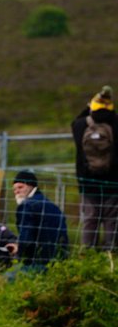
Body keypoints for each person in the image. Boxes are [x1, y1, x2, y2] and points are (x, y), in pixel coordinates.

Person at [71, 86, 118, 250]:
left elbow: (75, 120)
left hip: (87, 181)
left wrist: (88, 107)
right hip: (113, 182)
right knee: (112, 219)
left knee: (90, 219)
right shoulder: (115, 123)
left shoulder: (80, 125)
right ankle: (111, 254)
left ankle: (87, 253)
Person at [10, 170, 69, 271]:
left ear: (31, 186)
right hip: (60, 262)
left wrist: (19, 255)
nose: (16, 192)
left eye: (20, 187)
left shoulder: (26, 206)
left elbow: (26, 238)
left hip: (37, 262)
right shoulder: (53, 206)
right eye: (14, 189)